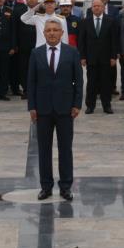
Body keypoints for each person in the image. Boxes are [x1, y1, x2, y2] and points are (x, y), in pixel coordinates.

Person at [27, 19, 82, 201]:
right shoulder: (36, 53)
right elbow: (31, 82)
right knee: (44, 150)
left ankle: (66, 187)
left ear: (61, 33)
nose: (52, 33)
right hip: (42, 109)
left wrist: (77, 104)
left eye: (55, 30)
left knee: (65, 149)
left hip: (65, 109)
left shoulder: (71, 52)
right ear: (44, 33)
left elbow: (78, 81)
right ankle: (46, 186)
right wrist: (32, 106)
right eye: (48, 30)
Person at [77, 0, 119, 114]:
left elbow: (114, 40)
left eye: (99, 6)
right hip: (91, 58)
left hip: (106, 58)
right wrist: (82, 57)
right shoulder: (85, 22)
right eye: (94, 6)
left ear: (103, 7)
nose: (96, 8)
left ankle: (107, 105)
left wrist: (113, 56)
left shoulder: (111, 21)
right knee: (91, 83)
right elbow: (81, 41)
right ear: (91, 8)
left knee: (106, 83)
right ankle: (90, 106)